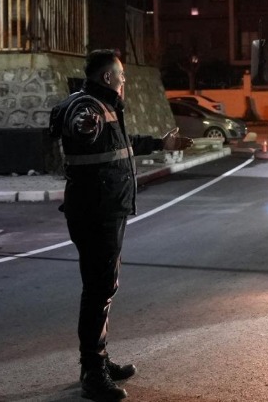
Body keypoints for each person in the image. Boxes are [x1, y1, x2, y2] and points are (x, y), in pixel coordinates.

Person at [50, 49, 192, 402]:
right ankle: (93, 373)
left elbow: (124, 144)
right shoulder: (88, 107)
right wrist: (84, 125)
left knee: (103, 287)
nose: (126, 82)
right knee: (99, 288)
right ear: (108, 78)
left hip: (106, 210)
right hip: (95, 212)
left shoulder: (107, 107)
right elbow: (80, 128)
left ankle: (97, 360)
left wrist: (162, 143)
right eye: (123, 77)